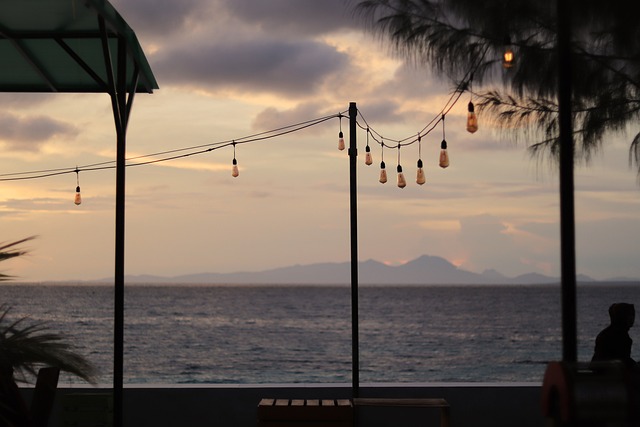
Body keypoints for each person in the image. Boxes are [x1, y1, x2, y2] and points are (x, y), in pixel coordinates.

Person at [592, 302, 637, 369]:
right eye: (630, 315)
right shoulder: (621, 337)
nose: (632, 318)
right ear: (622, 317)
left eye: (633, 314)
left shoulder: (606, 333)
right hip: (610, 375)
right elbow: (623, 361)